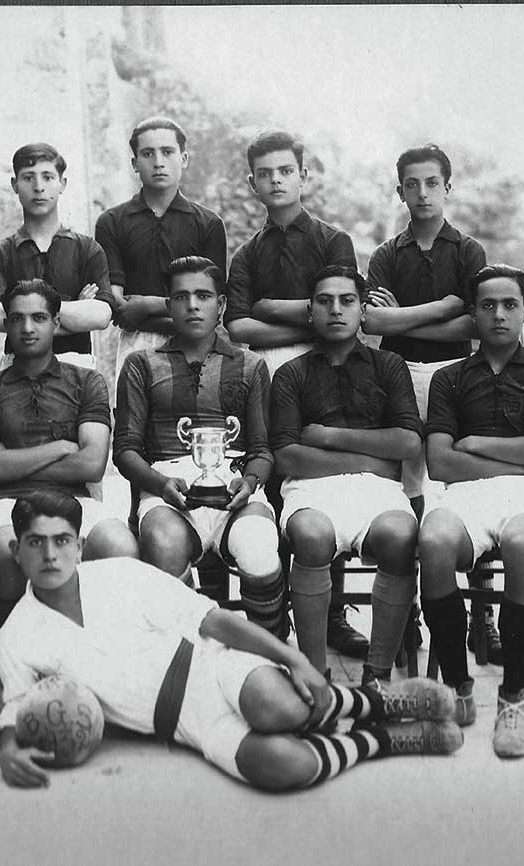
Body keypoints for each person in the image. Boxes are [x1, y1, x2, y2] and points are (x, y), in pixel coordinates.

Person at [0, 491, 462, 790]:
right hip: (180, 723)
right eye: (36, 543)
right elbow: (16, 703)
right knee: (286, 768)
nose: (51, 554)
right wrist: (13, 748)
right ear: (16, 551)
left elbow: (213, 621)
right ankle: (381, 739)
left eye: (62, 541)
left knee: (279, 708)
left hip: (209, 666)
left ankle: (373, 701)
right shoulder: (17, 635)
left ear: (79, 545)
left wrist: (292, 659)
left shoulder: (119, 574)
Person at [419, 264, 524, 759]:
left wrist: (479, 443)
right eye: (487, 305)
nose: (499, 315)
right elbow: (441, 462)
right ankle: (460, 688)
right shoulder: (449, 380)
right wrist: (521, 458)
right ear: (472, 314)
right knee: (434, 541)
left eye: (510, 305)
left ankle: (513, 699)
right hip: (466, 497)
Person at [224, 129, 367, 658]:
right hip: (264, 374)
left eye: (286, 171)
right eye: (266, 174)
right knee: (274, 478)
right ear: (253, 183)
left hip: (324, 373)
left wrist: (270, 308)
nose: (277, 180)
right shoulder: (246, 254)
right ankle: (274, 607)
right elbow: (238, 328)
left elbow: (341, 320)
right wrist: (306, 317)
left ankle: (329, 614)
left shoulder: (333, 242)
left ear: (303, 176)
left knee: (319, 480)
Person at [362, 144, 495, 659]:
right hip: (399, 375)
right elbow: (374, 323)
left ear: (448, 187)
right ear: (399, 191)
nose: (422, 193)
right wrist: (441, 307)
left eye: (432, 183)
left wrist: (407, 314)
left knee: (460, 480)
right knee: (408, 481)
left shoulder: (468, 251)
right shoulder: (386, 255)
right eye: (411, 184)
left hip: (457, 376)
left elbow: (474, 323)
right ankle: (411, 607)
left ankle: (479, 607)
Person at [113, 256, 285, 638]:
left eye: (204, 295)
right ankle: (190, 655)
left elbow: (261, 448)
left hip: (233, 485)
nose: (193, 305)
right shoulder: (141, 364)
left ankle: (270, 654)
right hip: (167, 488)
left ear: (221, 305)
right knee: (162, 541)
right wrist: (160, 485)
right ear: (169, 304)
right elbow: (125, 449)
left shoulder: (250, 365)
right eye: (182, 296)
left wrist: (251, 482)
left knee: (258, 544)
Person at [269, 265, 422, 685]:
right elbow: (287, 457)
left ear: (362, 311)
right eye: (325, 301)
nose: (336, 310)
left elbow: (408, 444)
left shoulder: (389, 366)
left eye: (347, 300)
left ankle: (378, 678)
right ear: (310, 312)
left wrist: (329, 436)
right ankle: (314, 677)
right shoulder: (291, 374)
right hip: (310, 490)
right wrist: (372, 456)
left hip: (378, 491)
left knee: (399, 536)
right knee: (313, 535)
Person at [0, 278, 138, 640]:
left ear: (57, 324)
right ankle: (16, 665)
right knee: (4, 547)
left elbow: (91, 463)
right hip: (6, 505)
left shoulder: (87, 382)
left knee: (119, 544)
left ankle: (101, 650)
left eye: (39, 318)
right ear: (6, 326)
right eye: (17, 319)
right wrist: (58, 448)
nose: (27, 328)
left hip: (75, 501)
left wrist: (10, 460)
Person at [95, 116, 228, 385]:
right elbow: (120, 307)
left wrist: (145, 305)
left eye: (167, 152)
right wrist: (182, 313)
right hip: (136, 346)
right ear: (134, 163)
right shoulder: (112, 222)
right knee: (134, 422)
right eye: (147, 153)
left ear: (184, 158)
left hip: (196, 350)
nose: (158, 162)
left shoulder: (208, 224)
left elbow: (211, 309)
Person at [0, 142, 114, 370]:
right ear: (14, 184)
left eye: (48, 177)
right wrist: (77, 311)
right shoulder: (0, 253)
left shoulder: (87, 249)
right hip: (17, 370)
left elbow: (100, 315)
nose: (39, 187)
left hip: (76, 368)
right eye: (28, 177)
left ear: (62, 184)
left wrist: (22, 315)